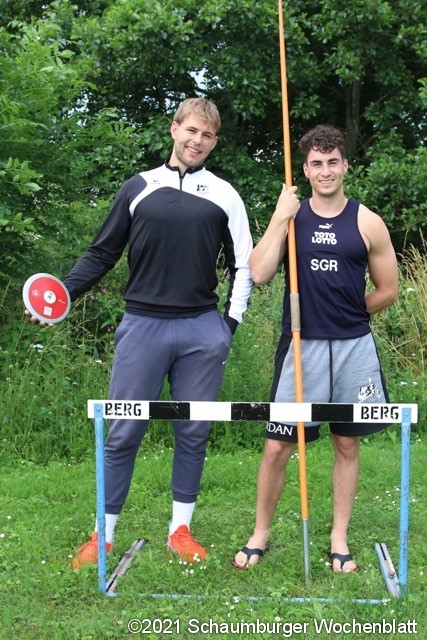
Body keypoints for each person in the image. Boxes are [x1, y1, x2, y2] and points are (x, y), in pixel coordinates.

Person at [28, 98, 253, 566]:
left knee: (193, 431)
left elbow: (243, 265)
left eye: (207, 135)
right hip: (142, 326)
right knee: (123, 431)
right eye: (191, 130)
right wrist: (62, 296)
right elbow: (101, 253)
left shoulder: (225, 195)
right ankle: (103, 536)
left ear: (215, 141)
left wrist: (227, 326)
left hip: (202, 329)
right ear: (174, 129)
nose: (197, 141)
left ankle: (180, 531)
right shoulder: (139, 187)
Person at [233, 124, 398, 573]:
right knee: (277, 446)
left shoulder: (367, 221)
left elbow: (388, 289)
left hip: (352, 347)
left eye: (333, 162)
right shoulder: (293, 217)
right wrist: (279, 216)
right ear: (305, 170)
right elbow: (260, 273)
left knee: (346, 444)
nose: (326, 171)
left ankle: (338, 537)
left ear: (345, 166)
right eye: (316, 163)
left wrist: (350, 312)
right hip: (300, 346)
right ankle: (260, 533)